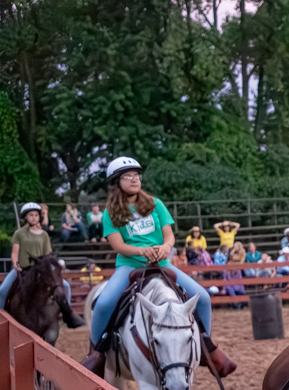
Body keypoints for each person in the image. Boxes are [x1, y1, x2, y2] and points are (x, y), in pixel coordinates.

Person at [81, 156, 236, 377]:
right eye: (128, 176)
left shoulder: (156, 204)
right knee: (104, 303)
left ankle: (205, 347)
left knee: (202, 297)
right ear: (116, 182)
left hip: (162, 263)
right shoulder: (110, 213)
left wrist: (166, 247)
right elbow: (118, 245)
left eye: (137, 175)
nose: (135, 179)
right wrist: (141, 251)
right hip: (129, 266)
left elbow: (169, 235)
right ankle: (96, 354)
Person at [0, 203, 74, 313]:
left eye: (36, 215)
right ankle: (2, 318)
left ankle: (67, 314)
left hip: (40, 269)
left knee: (66, 286)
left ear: (39, 217)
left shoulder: (44, 235)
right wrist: (17, 265)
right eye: (31, 215)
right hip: (23, 269)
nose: (34, 217)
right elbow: (14, 253)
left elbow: (47, 255)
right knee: (2, 290)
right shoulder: (19, 233)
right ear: (25, 217)